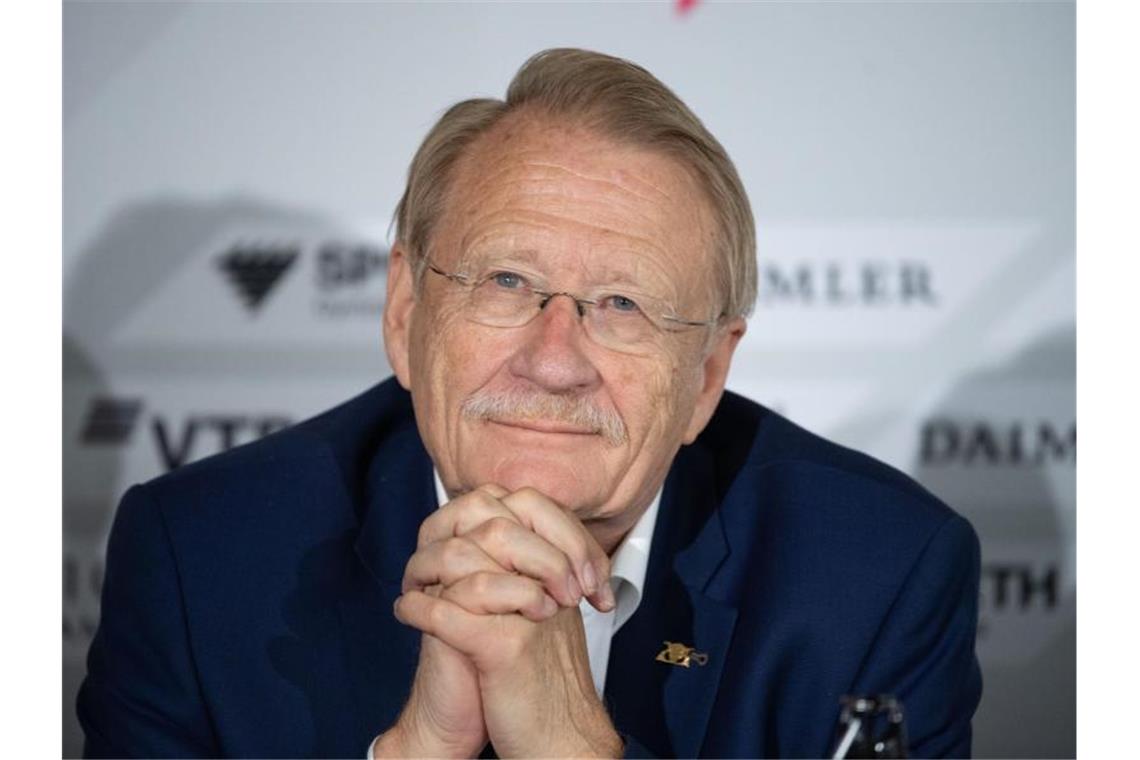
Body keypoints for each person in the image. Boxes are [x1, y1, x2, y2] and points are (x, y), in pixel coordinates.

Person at [77, 48, 982, 758]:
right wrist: (416, 753)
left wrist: (573, 748)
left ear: (708, 374)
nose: (554, 362)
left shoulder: (878, 578)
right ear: (405, 313)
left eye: (624, 305)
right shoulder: (202, 559)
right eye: (507, 280)